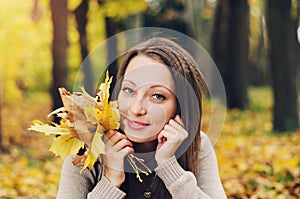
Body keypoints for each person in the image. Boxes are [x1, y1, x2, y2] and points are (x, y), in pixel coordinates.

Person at [57, 37, 227, 198]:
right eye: (129, 90)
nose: (136, 108)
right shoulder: (85, 150)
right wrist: (110, 181)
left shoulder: (197, 146)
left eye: (157, 96)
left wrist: (170, 167)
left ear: (180, 107)